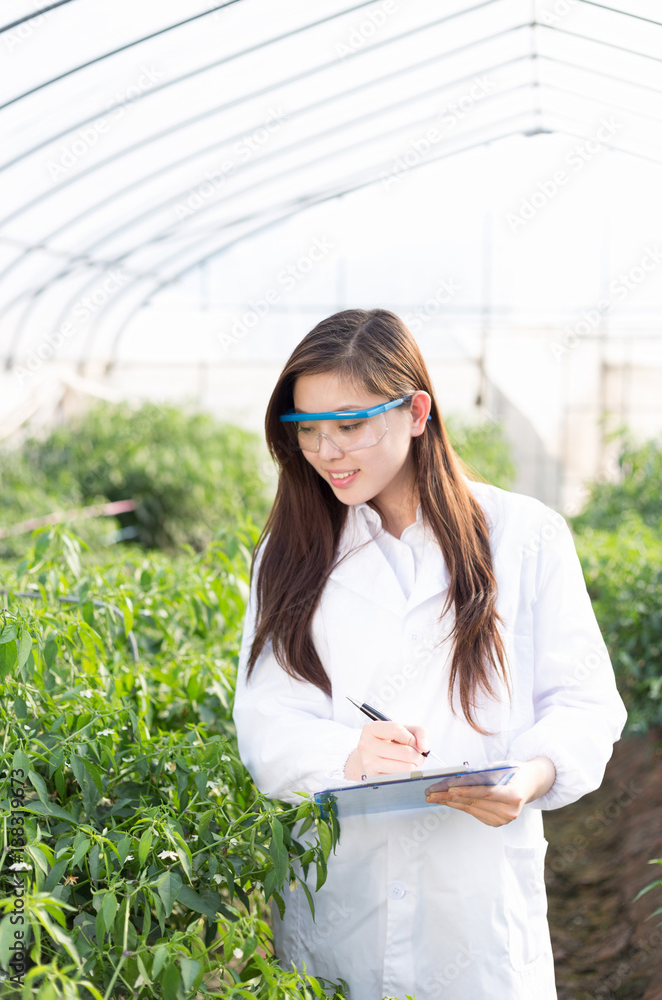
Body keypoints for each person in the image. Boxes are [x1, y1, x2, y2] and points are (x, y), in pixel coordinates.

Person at [232, 308, 628, 1000]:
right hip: (339, 896)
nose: (326, 450)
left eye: (349, 424)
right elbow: (266, 718)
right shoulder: (291, 553)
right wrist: (349, 757)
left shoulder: (524, 536)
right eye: (306, 430)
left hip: (474, 906)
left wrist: (530, 776)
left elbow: (584, 701)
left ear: (416, 412)